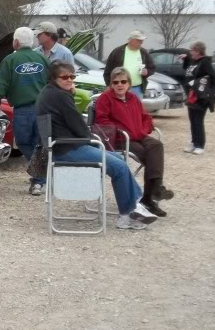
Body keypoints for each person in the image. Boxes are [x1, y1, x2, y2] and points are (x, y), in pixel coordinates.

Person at [36, 61, 157, 230]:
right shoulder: (61, 96)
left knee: (119, 158)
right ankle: (127, 215)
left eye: (72, 76)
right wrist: (92, 140)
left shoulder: (49, 92)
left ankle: (137, 205)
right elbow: (78, 126)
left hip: (61, 147)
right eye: (64, 77)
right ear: (53, 78)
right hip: (68, 149)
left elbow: (73, 123)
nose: (69, 80)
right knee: (120, 167)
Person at [94, 66, 174, 217]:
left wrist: (143, 129)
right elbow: (102, 120)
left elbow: (146, 117)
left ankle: (152, 193)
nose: (119, 85)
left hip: (138, 135)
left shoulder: (133, 98)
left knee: (156, 145)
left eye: (123, 81)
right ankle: (151, 197)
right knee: (146, 153)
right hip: (120, 139)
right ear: (111, 84)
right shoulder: (105, 99)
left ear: (129, 83)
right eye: (115, 82)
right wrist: (124, 131)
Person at [0, 27, 49, 196]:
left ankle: (39, 179)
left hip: (24, 110)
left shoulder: (10, 60)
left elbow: (1, 88)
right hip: (45, 109)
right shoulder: (42, 58)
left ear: (16, 42)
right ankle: (41, 176)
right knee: (38, 144)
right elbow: (52, 82)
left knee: (24, 143)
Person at [181, 41, 215, 154]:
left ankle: (200, 145)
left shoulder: (205, 62)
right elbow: (187, 70)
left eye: (192, 50)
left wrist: (204, 89)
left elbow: (212, 77)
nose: (190, 52)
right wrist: (186, 59)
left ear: (198, 51)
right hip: (191, 95)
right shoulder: (193, 61)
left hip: (200, 96)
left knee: (198, 121)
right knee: (192, 120)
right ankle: (193, 142)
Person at [104, 31, 156, 99]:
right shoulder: (117, 52)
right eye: (139, 41)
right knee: (120, 108)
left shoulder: (143, 52)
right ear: (131, 40)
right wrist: (108, 84)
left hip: (137, 89)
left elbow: (152, 67)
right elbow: (108, 69)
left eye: (142, 41)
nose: (141, 43)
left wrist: (147, 72)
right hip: (119, 88)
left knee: (135, 109)